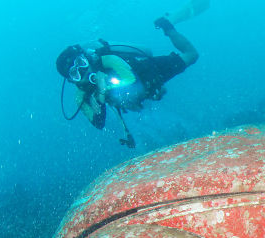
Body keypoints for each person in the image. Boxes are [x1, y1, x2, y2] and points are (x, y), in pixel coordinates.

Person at [55, 17, 199, 146]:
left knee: (192, 55)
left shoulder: (106, 59)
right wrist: (100, 95)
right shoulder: (80, 96)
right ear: (71, 80)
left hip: (144, 73)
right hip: (128, 97)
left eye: (81, 63)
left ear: (86, 57)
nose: (83, 71)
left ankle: (169, 26)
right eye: (75, 73)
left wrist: (105, 88)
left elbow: (133, 80)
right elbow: (98, 123)